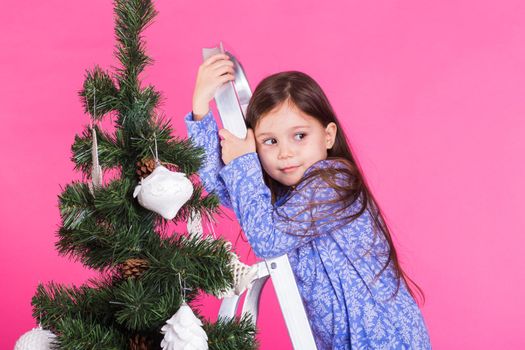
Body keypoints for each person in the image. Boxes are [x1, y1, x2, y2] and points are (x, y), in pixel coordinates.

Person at [184, 53, 431, 349]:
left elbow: (268, 238)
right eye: (270, 141)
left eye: (299, 136)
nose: (285, 152)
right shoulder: (285, 199)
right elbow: (225, 188)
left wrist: (245, 162)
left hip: (386, 339)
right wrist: (200, 111)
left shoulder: (334, 182)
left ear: (327, 136)